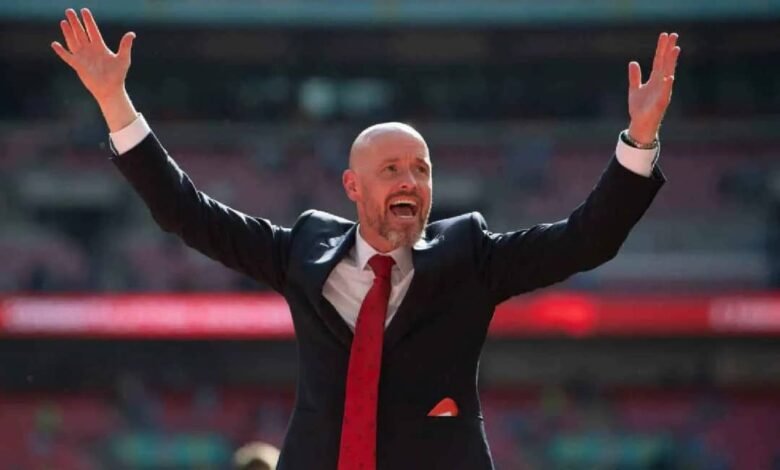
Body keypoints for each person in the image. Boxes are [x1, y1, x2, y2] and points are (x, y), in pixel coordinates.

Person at [52, 8, 680, 470]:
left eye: (421, 170)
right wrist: (115, 101)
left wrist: (641, 139)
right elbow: (188, 213)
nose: (410, 181)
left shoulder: (471, 257)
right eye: (392, 170)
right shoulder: (303, 250)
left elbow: (586, 240)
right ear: (353, 186)